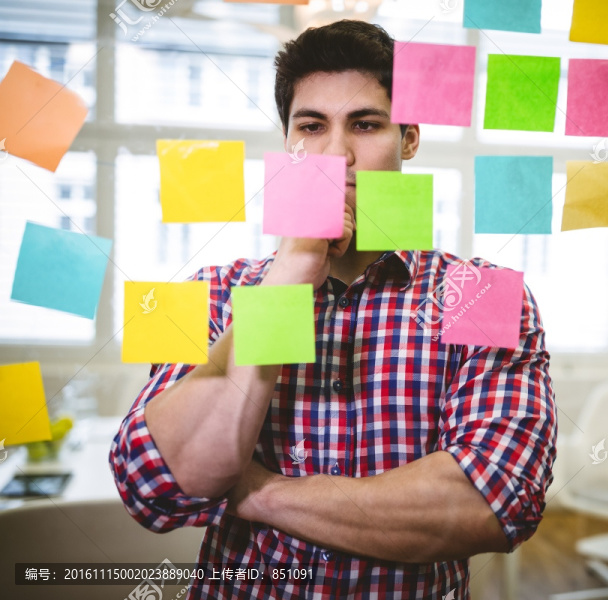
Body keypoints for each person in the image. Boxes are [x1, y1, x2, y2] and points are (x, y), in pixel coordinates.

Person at [109, 19, 556, 600]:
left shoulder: (486, 292)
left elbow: (496, 503)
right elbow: (153, 488)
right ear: (288, 144)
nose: (336, 154)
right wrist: (289, 279)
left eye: (366, 125)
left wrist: (260, 493)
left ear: (410, 138)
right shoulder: (210, 291)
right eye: (311, 126)